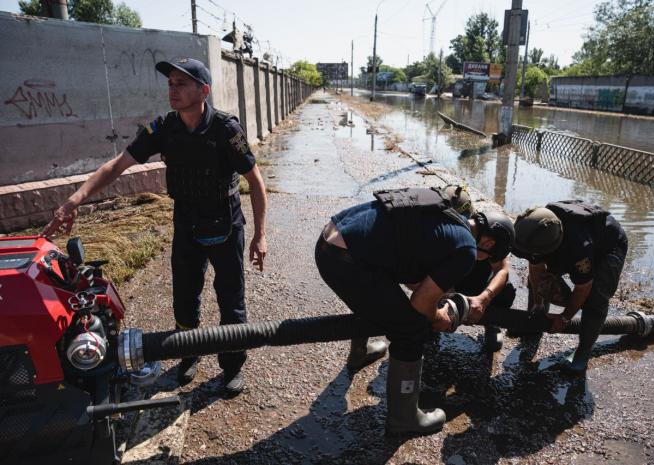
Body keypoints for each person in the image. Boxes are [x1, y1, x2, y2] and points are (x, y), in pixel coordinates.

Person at [42, 58, 268, 395]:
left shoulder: (226, 129)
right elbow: (117, 165)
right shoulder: (163, 128)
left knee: (231, 300)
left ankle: (232, 365)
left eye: (181, 84)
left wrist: (260, 236)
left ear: (203, 91)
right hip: (187, 221)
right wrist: (76, 198)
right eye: (170, 83)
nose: (172, 90)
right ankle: (188, 353)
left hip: (225, 221)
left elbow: (256, 180)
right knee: (184, 297)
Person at [314, 186, 514, 436]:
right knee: (411, 329)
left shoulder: (446, 215)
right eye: (489, 255)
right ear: (487, 242)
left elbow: (410, 272)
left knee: (380, 301)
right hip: (346, 260)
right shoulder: (465, 249)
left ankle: (359, 353)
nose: (484, 260)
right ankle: (404, 419)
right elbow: (420, 305)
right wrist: (439, 317)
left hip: (330, 239)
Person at [512, 201, 627, 375]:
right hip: (563, 243)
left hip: (608, 246)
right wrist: (538, 305)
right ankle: (535, 323)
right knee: (544, 281)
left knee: (595, 299)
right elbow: (536, 269)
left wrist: (565, 318)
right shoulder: (533, 230)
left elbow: (583, 287)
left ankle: (583, 352)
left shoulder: (578, 248)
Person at [452, 210, 516, 352]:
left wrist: (484, 298)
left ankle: (492, 324)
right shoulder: (452, 236)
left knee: (506, 289)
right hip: (447, 282)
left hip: (476, 284)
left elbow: (502, 270)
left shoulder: (490, 238)